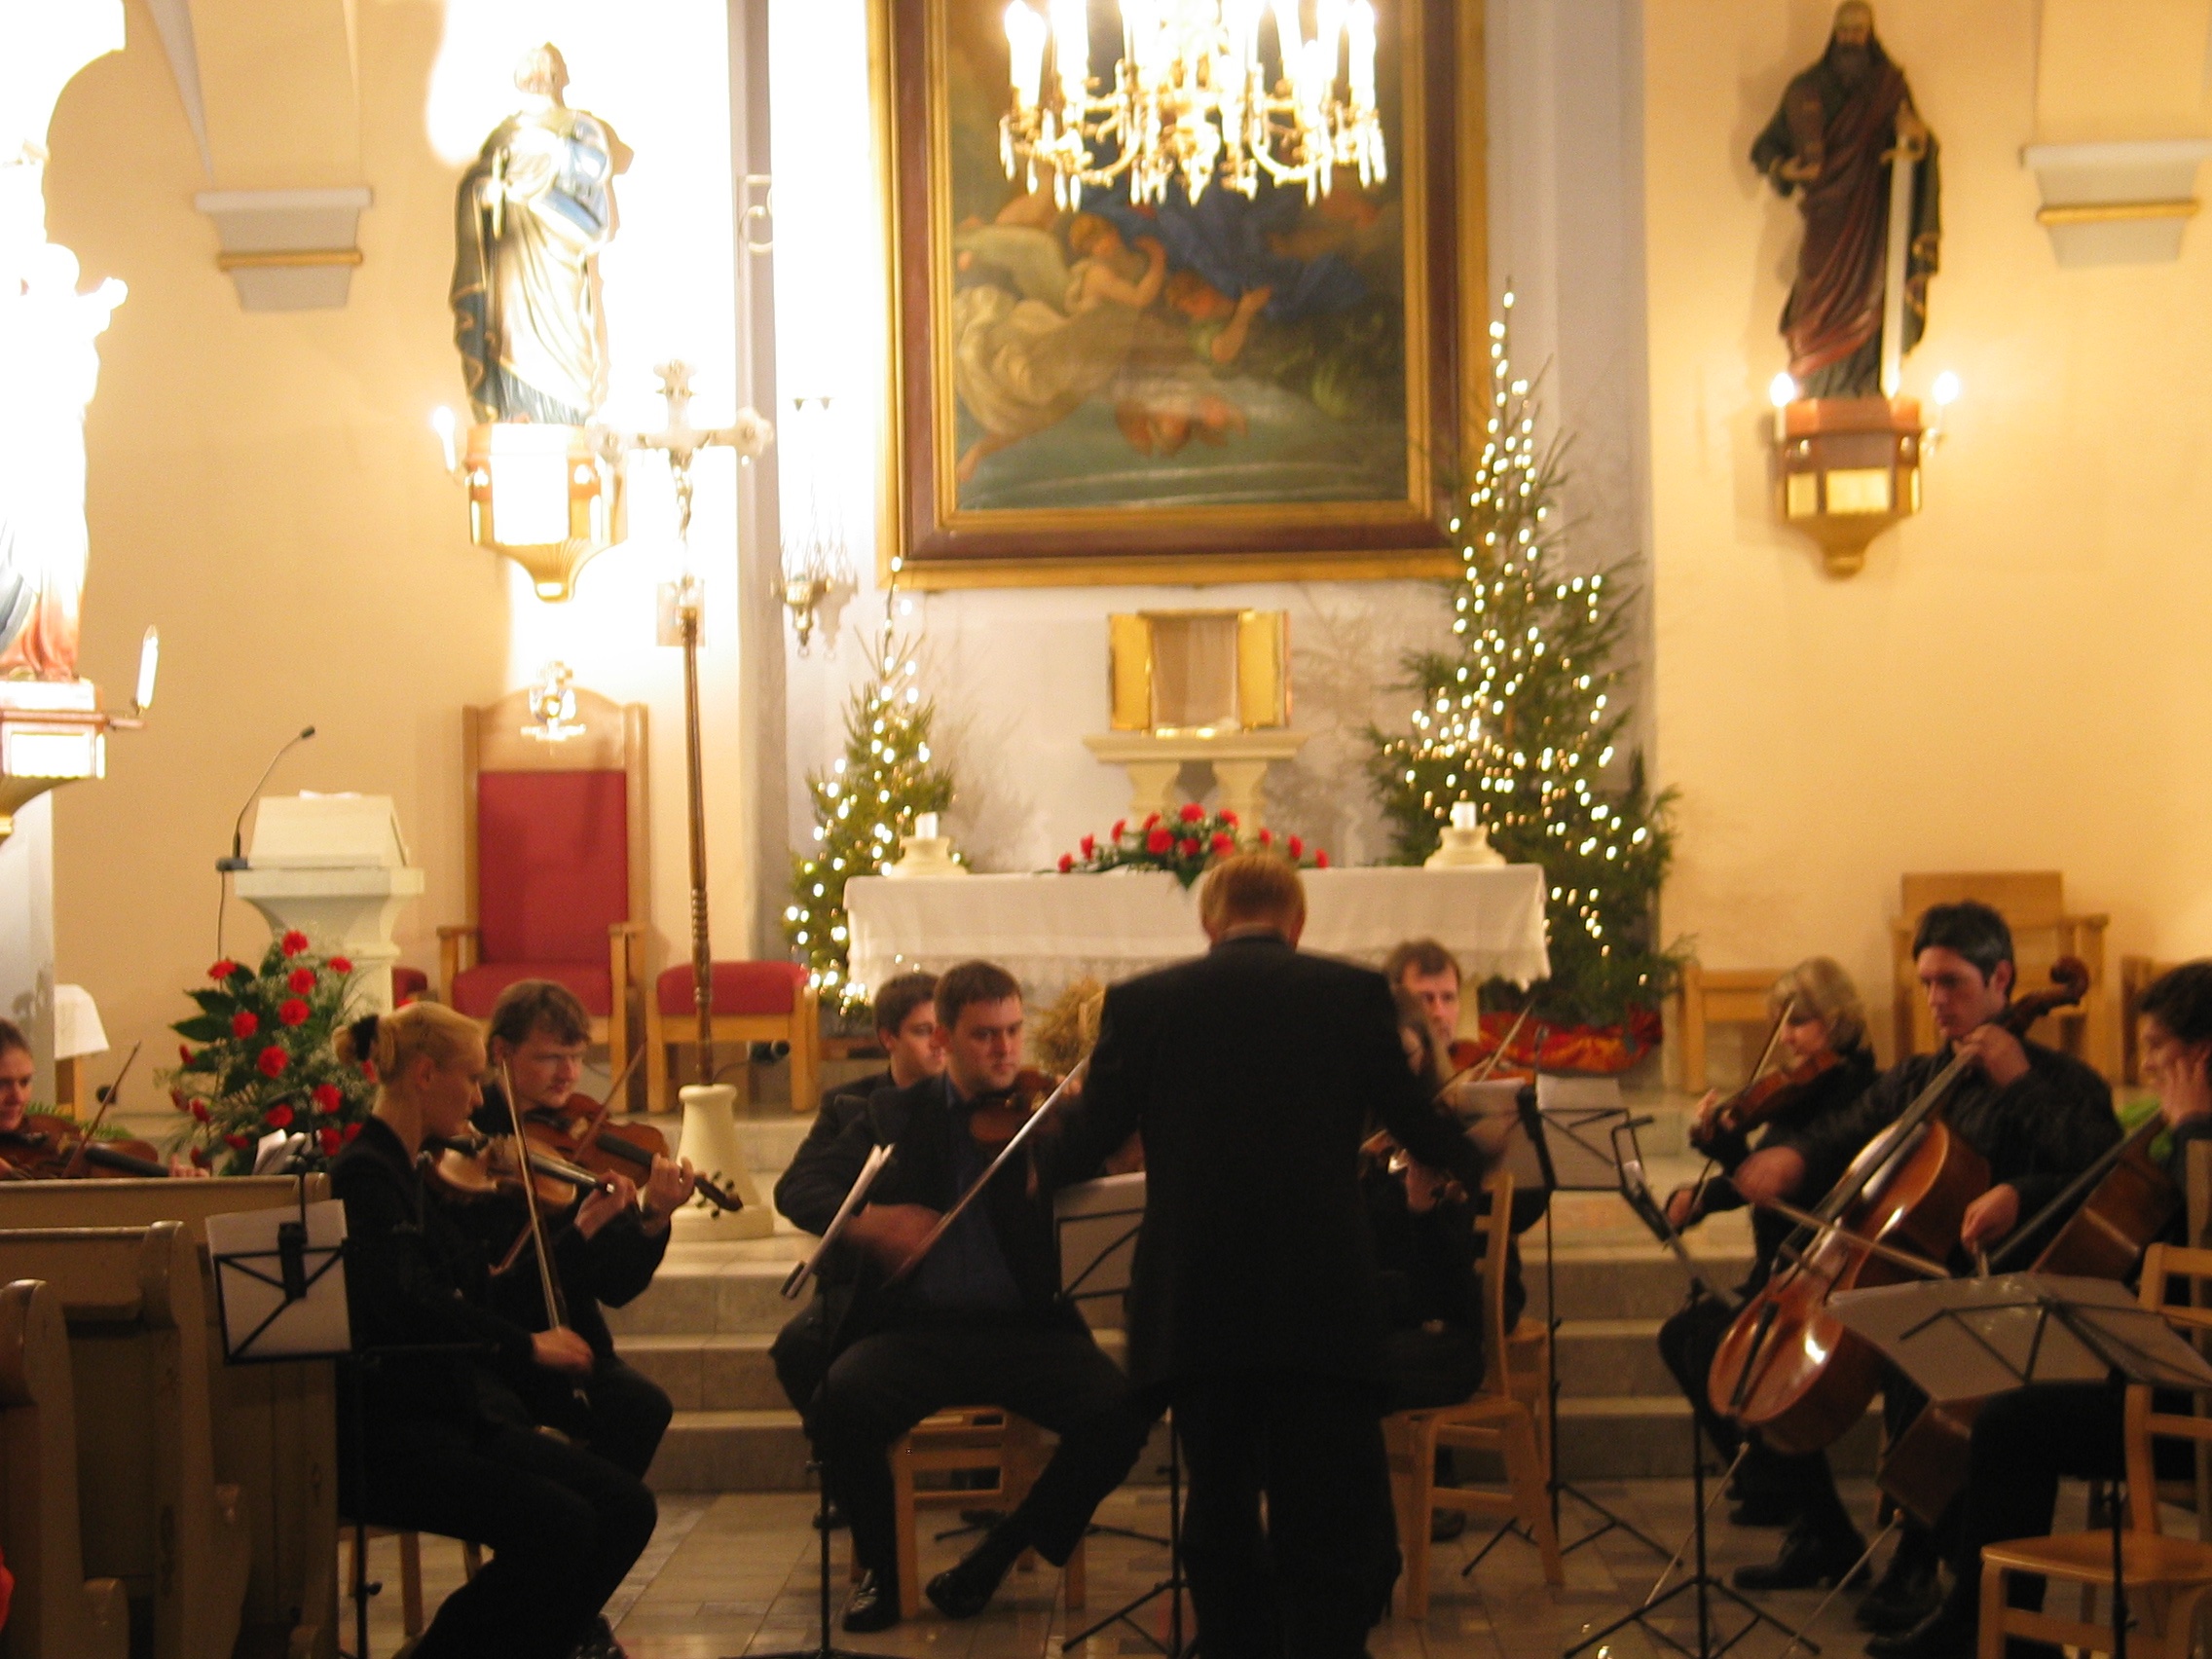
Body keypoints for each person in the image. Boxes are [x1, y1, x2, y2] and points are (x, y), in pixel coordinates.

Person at [1051, 852, 1488, 1657]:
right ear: (1299, 921)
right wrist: (1474, 1158)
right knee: (1321, 1510)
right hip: (1319, 1299)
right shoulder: (1353, 994)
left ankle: (1230, 1643)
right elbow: (1417, 1122)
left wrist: (1031, 1166)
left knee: (1218, 1499)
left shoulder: (1145, 1003)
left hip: (1198, 1300)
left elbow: (1087, 1142)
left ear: (1208, 922)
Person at [1732, 903, 2118, 1636]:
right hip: (1926, 1276)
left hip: (2016, 1288)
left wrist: (2018, 1110)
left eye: (1952, 982)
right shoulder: (1920, 1077)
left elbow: (2097, 1164)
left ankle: (1922, 1555)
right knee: (1892, 1330)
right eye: (1927, 984)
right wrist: (1795, 1156)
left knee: (1925, 1347)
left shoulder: (2061, 1079)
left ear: (2001, 979)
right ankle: (1903, 1547)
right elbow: (1847, 1128)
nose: (1936, 1000)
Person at [775, 960, 1152, 1633]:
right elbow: (799, 1189)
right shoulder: (893, 1114)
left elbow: (1120, 1158)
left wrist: (1120, 1152)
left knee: (1121, 1414)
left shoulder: (1051, 1118)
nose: (1005, 1050)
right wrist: (871, 1223)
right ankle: (885, 1574)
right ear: (944, 1040)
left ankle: (1000, 1552)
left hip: (1027, 1329)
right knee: (839, 1402)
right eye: (984, 1035)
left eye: (1013, 1031)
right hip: (918, 1330)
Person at [1866, 960, 2212, 1659]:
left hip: (2194, 1409)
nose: (2145, 1065)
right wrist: (2023, 1194)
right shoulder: (2178, 1133)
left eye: (2157, 1049)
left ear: (2201, 1057)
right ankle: (1992, 1621)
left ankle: (1990, 1628)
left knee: (2013, 1422)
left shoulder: (2196, 1135)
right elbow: (2117, 1182)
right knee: (1996, 1391)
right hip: (2166, 1383)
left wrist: (2196, 1127)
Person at [329, 1002, 655, 1659]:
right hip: (394, 1435)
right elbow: (410, 1304)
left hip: (453, 1417)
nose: (481, 1099)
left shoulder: (409, 1171)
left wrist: (581, 1231)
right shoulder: (365, 1175)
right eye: (472, 1079)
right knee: (560, 1526)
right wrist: (527, 1345)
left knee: (626, 1508)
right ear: (425, 1075)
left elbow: (487, 1294)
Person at [1655, 958, 1879, 1588]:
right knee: (1685, 1337)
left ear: (1838, 1019)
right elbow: (1762, 1173)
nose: (1788, 1039)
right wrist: (1702, 1197)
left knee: (1738, 1358)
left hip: (1820, 1280)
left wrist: (1728, 1151)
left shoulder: (1858, 1094)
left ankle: (1827, 1533)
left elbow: (1797, 1180)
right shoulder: (1799, 1093)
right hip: (1782, 1275)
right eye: (1783, 1023)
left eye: (1800, 1022)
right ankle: (1771, 1485)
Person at [467, 979, 696, 1488]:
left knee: (642, 1407)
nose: (569, 1074)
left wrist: (654, 1217)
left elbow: (617, 1287)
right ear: (501, 1051)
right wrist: (580, 1229)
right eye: (550, 1057)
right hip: (499, 1343)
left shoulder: (583, 1139)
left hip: (574, 1341)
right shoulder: (472, 1131)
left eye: (576, 1057)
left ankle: (589, 1520)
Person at [770, 970, 941, 1415]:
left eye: (944, 1030)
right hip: (867, 1289)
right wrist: (874, 1224)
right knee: (798, 1351)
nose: (938, 1044)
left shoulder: (969, 1099)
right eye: (923, 1031)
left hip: (951, 1293)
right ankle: (849, 1446)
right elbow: (798, 1190)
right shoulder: (850, 1105)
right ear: (888, 1037)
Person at [1750, 2, 1939, 398]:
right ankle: (1817, 378)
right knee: (1814, 301)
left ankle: (1867, 380)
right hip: (1827, 215)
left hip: (1873, 216)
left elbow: (1919, 140)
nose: (1851, 37)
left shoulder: (1889, 86)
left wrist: (1918, 136)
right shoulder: (1807, 88)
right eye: (1845, 29)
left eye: (1858, 29)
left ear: (1871, 34)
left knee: (1875, 292)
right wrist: (1787, 169)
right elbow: (1765, 148)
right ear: (1834, 34)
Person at [451, 44, 631, 425]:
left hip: (559, 249)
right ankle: (516, 410)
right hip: (514, 261)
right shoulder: (505, 135)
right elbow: (477, 182)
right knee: (512, 332)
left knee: (567, 332)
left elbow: (597, 166)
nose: (535, 79)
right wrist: (486, 192)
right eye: (528, 72)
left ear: (554, 78)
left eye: (541, 72)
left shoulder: (576, 127)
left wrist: (552, 147)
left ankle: (566, 412)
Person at [1367, 988, 1489, 1545]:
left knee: (1345, 1374)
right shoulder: (1357, 1138)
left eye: (1405, 1061)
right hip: (1373, 1322)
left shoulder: (1447, 1143)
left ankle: (1389, 1510)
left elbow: (1450, 1286)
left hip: (1443, 1335)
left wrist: (1421, 1211)